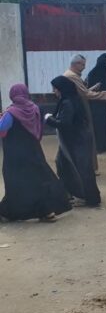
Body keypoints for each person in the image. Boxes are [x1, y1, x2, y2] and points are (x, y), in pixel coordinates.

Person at [0, 84, 71, 222]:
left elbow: (2, 127)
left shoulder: (12, 112)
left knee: (16, 183)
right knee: (40, 180)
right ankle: (47, 212)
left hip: (16, 155)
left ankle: (8, 212)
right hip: (33, 151)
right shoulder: (35, 108)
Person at [46, 76, 102, 207]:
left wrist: (49, 119)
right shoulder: (70, 99)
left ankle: (89, 198)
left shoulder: (68, 102)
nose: (54, 91)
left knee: (82, 169)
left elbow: (64, 123)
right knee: (63, 165)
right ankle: (71, 194)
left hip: (77, 140)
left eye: (55, 89)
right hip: (74, 139)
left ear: (61, 89)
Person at [64, 54, 106, 174]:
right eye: (82, 64)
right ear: (76, 64)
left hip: (87, 107)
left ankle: (87, 168)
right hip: (81, 110)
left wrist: (93, 88)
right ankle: (84, 169)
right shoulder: (72, 76)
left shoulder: (75, 75)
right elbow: (85, 94)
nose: (84, 67)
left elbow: (83, 91)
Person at [85, 53, 106, 153]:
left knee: (97, 123)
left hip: (93, 102)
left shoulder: (92, 73)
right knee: (103, 122)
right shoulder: (105, 73)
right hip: (102, 101)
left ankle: (100, 144)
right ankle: (102, 145)